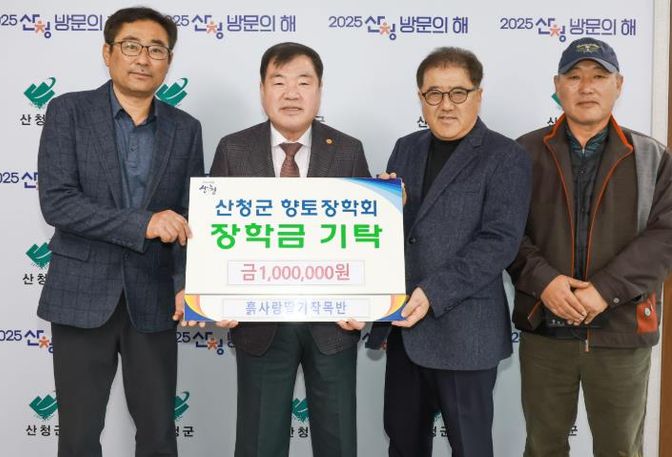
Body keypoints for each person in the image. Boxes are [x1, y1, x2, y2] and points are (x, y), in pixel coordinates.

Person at [37, 7, 204, 456]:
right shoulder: (68, 111)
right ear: (107, 52)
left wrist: (184, 282)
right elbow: (58, 202)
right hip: (81, 293)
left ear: (168, 61)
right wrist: (143, 222)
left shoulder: (186, 129)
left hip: (154, 297)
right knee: (78, 436)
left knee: (158, 435)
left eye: (156, 50)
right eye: (131, 46)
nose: (143, 59)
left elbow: (188, 215)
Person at [508, 37, 672, 457]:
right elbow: (504, 232)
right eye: (574, 76)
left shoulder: (652, 157)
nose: (586, 87)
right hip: (546, 327)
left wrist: (604, 290)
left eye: (599, 76)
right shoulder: (522, 153)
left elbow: (664, 237)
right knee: (543, 447)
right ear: (557, 86)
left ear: (619, 85)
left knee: (620, 449)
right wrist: (545, 282)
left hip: (622, 330)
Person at [366, 47, 532, 457]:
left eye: (458, 92)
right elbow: (397, 237)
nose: (446, 104)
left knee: (470, 447)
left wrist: (432, 292)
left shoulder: (506, 156)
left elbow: (498, 241)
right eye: (434, 94)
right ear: (420, 98)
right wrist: (384, 208)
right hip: (405, 329)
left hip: (466, 335)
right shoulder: (406, 147)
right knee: (403, 443)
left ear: (478, 95)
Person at [209, 42, 371, 457]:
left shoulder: (348, 150)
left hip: (333, 327)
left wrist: (365, 301)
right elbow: (213, 234)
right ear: (262, 91)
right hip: (259, 325)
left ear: (319, 91)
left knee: (338, 442)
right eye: (279, 82)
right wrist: (216, 295)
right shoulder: (233, 149)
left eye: (304, 82)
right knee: (259, 443)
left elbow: (365, 240)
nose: (291, 93)